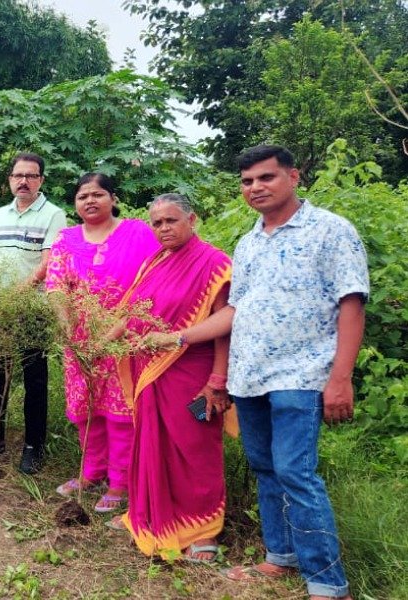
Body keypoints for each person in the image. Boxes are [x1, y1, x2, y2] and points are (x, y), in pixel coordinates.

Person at [151, 145, 365, 600]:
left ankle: (328, 583)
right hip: (250, 376)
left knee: (296, 472)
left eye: (266, 178)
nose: (256, 188)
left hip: (302, 375)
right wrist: (180, 340)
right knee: (266, 468)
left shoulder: (330, 231)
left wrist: (340, 377)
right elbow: (235, 312)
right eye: (247, 181)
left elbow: (351, 303)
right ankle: (279, 558)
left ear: (294, 176)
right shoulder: (248, 244)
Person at [111, 193, 233, 564]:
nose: (163, 228)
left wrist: (217, 379)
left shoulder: (214, 264)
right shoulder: (155, 261)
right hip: (152, 373)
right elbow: (132, 314)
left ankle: (202, 531)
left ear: (191, 219)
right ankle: (146, 516)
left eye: (171, 220)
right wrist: (101, 342)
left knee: (195, 448)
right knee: (151, 443)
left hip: (194, 372)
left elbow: (227, 324)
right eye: (157, 222)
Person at [44, 172, 160, 512]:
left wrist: (116, 331)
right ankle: (91, 472)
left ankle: (121, 481)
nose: (90, 201)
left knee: (121, 410)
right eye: (83, 196)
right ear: (75, 204)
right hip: (79, 340)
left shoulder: (138, 232)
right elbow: (55, 287)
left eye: (98, 194)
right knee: (85, 408)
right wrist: (67, 329)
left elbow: (152, 281)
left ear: (113, 198)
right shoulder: (65, 239)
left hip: (125, 338)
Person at [0, 152, 67, 474]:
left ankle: (33, 446)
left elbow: (48, 264)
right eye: (18, 176)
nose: (24, 181)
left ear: (41, 180)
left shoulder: (54, 215)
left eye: (31, 176)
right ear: (10, 180)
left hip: (33, 310)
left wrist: (15, 296)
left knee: (34, 379)